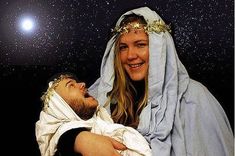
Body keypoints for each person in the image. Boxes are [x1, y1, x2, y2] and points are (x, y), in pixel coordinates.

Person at [56, 7, 233, 156]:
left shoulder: (193, 97)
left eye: (140, 44)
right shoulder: (104, 93)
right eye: (123, 47)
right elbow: (53, 123)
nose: (131, 55)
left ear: (159, 48)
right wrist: (78, 139)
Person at [35, 73, 151, 156]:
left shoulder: (104, 124)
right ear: (60, 106)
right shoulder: (71, 139)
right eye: (71, 85)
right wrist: (80, 140)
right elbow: (64, 139)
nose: (83, 84)